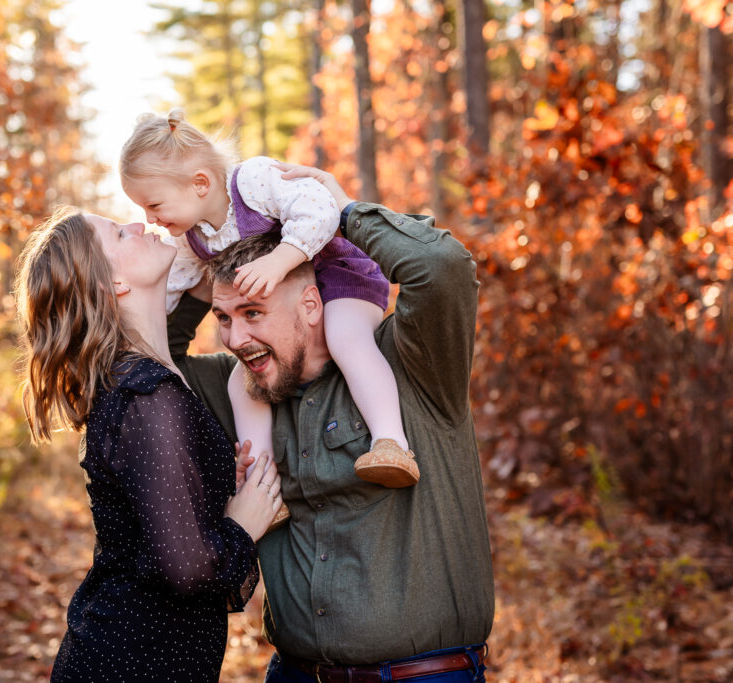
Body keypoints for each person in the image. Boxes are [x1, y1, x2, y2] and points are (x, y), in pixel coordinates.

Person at [166, 164, 495, 681]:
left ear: (312, 302)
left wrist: (339, 214)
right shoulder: (246, 387)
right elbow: (150, 362)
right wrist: (201, 258)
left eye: (254, 313)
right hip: (294, 674)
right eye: (224, 319)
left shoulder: (411, 363)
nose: (233, 338)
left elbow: (442, 265)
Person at [15, 207, 284, 683]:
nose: (139, 224)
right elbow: (185, 569)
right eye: (120, 233)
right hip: (131, 662)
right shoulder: (147, 392)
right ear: (112, 285)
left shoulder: (147, 378)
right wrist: (242, 525)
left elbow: (162, 529)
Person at [120, 110, 420, 509]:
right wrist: (129, 321)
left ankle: (390, 442)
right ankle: (262, 485)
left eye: (154, 204)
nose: (150, 219)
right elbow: (170, 292)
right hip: (283, 315)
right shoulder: (190, 240)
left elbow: (319, 208)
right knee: (241, 384)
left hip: (341, 277)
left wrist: (280, 260)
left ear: (199, 183)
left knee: (346, 338)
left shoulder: (251, 182)